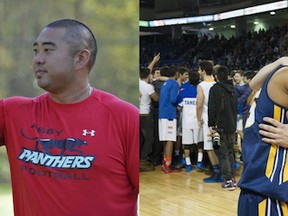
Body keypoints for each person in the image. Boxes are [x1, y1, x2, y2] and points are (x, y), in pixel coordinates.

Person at [0, 19, 139, 216]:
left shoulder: (124, 117)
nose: (38, 59)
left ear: (80, 59)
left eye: (47, 50)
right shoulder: (12, 114)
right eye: (36, 51)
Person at [237, 56, 288, 216]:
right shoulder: (284, 76)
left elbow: (253, 84)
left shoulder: (276, 73)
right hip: (272, 193)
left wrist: (280, 60)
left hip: (259, 187)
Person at [208, 65, 237, 190]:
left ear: (216, 76)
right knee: (230, 152)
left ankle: (228, 180)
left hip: (219, 126)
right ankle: (232, 178)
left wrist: (211, 124)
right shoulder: (233, 88)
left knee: (222, 153)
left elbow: (212, 108)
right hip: (231, 124)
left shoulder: (215, 88)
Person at [196, 60, 222, 183]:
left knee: (209, 147)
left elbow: (199, 104)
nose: (198, 72)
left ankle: (217, 173)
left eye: (199, 70)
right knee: (220, 146)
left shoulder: (202, 85)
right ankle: (225, 170)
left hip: (208, 119)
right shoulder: (218, 83)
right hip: (221, 119)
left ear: (203, 71)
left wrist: (198, 118)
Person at [178, 69, 203, 172]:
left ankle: (188, 164)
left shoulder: (183, 92)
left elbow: (179, 107)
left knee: (187, 144)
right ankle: (199, 163)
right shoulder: (200, 91)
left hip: (186, 122)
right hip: (198, 120)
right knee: (199, 143)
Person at [158, 65, 181, 173]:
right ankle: (168, 164)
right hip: (169, 115)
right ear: (176, 74)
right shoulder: (174, 84)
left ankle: (164, 162)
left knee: (165, 139)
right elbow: (173, 99)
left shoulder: (165, 84)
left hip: (162, 114)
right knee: (170, 139)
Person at [139, 67, 158, 171]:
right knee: (149, 139)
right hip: (144, 116)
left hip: (134, 115)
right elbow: (156, 98)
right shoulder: (148, 87)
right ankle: (142, 161)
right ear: (148, 76)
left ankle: (135, 160)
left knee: (139, 139)